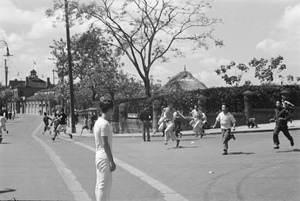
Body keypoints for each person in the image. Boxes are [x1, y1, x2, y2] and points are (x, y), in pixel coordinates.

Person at [93, 100, 116, 201]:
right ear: (110, 110)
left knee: (99, 184)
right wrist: (111, 161)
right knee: (104, 186)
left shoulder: (98, 122)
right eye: (113, 109)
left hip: (99, 155)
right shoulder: (105, 124)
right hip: (104, 156)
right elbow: (105, 144)